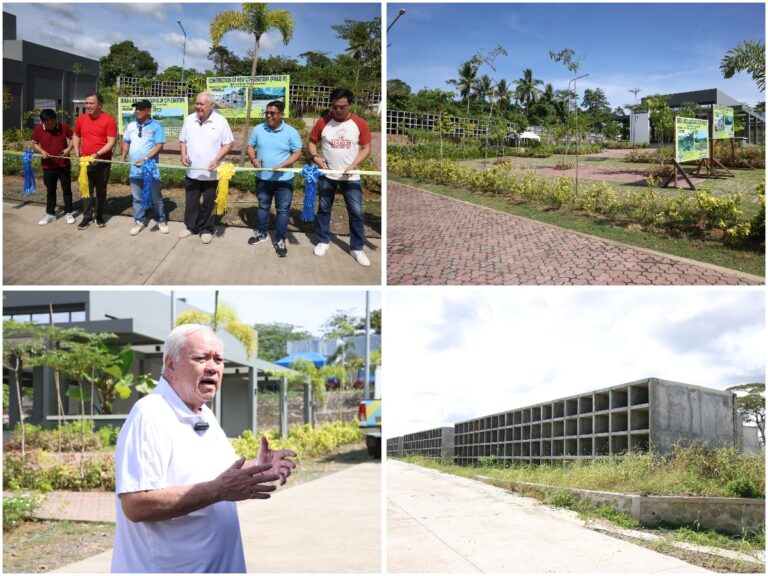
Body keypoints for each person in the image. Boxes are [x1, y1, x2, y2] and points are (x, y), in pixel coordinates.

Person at [111, 324, 296, 573]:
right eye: (201, 358)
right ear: (171, 364)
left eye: (218, 360)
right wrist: (218, 490)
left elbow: (220, 476)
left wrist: (260, 467)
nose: (213, 367)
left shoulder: (203, 414)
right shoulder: (151, 414)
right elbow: (136, 504)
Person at [308, 88, 372, 267]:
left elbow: (366, 148)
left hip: (351, 176)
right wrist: (315, 158)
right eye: (334, 106)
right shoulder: (323, 122)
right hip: (327, 174)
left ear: (350, 105)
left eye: (342, 107)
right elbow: (312, 142)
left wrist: (354, 164)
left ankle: (357, 248)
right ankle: (323, 241)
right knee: (324, 208)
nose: (338, 110)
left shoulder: (359, 123)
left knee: (356, 212)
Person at [246, 100, 303, 257]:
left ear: (281, 114)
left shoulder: (291, 132)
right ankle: (262, 233)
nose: (269, 116)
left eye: (272, 113)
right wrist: (253, 159)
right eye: (267, 112)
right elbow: (250, 146)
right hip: (263, 178)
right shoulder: (259, 129)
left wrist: (284, 164)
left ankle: (280, 239)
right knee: (263, 206)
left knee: (283, 210)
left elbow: (297, 152)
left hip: (284, 180)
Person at [179, 92, 234, 244]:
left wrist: (216, 159)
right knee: (191, 202)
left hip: (212, 173)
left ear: (211, 105)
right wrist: (183, 154)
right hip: (192, 171)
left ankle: (206, 229)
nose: (198, 106)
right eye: (196, 103)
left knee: (210, 203)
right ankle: (191, 227)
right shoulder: (189, 119)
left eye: (201, 104)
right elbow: (183, 140)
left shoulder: (221, 121)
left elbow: (228, 143)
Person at [121, 100, 168, 235]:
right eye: (136, 109)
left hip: (150, 168)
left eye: (141, 109)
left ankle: (160, 220)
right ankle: (139, 221)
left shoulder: (156, 126)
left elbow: (159, 146)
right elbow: (126, 140)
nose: (137, 111)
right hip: (134, 169)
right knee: (137, 198)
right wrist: (124, 153)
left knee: (156, 198)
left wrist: (146, 158)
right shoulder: (131, 126)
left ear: (148, 111)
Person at [72, 92, 117, 229]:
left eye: (91, 103)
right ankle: (86, 217)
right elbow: (76, 135)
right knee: (86, 189)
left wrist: (97, 154)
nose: (88, 106)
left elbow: (111, 142)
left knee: (101, 190)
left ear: (100, 105)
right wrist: (76, 149)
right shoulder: (81, 119)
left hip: (102, 161)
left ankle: (99, 216)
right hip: (85, 161)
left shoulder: (109, 120)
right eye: (86, 103)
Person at [30, 109, 74, 225]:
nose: (50, 125)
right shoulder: (38, 129)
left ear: (55, 119)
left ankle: (69, 212)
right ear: (42, 122)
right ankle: (50, 214)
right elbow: (34, 143)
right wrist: (42, 151)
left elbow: (74, 138)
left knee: (67, 189)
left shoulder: (63, 127)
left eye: (52, 123)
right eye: (47, 124)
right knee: (50, 190)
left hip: (63, 164)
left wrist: (69, 149)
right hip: (48, 165)